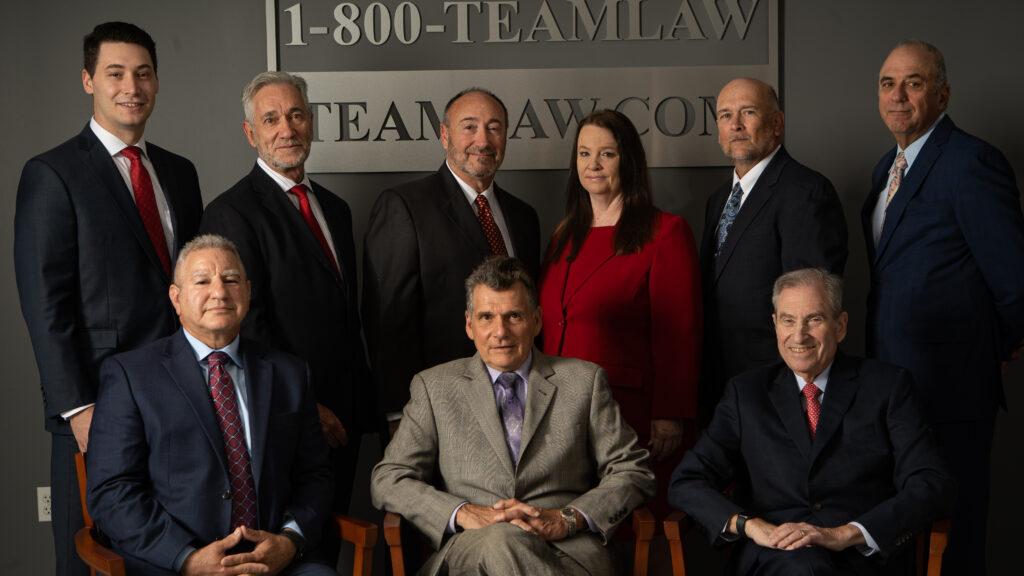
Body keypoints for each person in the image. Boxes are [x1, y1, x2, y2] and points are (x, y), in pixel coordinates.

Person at [13, 21, 203, 576]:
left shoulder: (179, 173)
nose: (131, 87)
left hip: (178, 396)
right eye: (115, 73)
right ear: (88, 80)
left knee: (172, 552)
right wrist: (78, 408)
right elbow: (45, 303)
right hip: (97, 403)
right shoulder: (52, 173)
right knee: (91, 558)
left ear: (157, 83)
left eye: (143, 74)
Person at [371, 256, 654, 576]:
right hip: (472, 551)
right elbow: (389, 477)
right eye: (486, 317)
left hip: (567, 552)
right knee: (503, 539)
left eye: (513, 316)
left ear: (536, 321)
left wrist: (566, 519)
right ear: (469, 324)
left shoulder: (584, 381)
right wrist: (462, 512)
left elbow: (633, 470)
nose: (500, 332)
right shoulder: (434, 387)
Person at [670, 268, 955, 576]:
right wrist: (751, 526)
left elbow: (932, 484)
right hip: (775, 559)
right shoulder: (746, 394)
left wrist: (845, 533)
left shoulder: (888, 387)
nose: (799, 335)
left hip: (861, 560)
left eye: (814, 320)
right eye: (788, 320)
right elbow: (688, 481)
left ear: (840, 325)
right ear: (775, 325)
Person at [863, 40, 1024, 575]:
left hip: (954, 387)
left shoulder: (972, 162)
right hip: (893, 385)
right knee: (903, 533)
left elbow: (1015, 282)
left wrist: (992, 351)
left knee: (954, 534)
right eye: (888, 84)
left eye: (914, 83)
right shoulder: (885, 168)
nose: (898, 95)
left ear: (943, 94)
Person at [86, 235, 336, 575]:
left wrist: (290, 541)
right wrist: (186, 559)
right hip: (174, 563)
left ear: (247, 291)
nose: (219, 292)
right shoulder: (130, 376)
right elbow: (112, 492)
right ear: (176, 298)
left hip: (275, 560)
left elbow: (316, 476)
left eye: (231, 280)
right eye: (202, 281)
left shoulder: (291, 374)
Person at [198, 71, 371, 555]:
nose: (286, 129)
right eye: (271, 119)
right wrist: (306, 404)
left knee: (329, 546)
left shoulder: (335, 209)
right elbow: (242, 326)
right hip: (284, 413)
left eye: (296, 115)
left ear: (311, 122)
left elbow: (345, 314)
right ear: (250, 132)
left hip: (346, 412)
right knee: (286, 550)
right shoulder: (231, 212)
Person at [538, 108, 701, 518]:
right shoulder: (562, 235)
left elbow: (680, 333)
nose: (592, 164)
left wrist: (670, 413)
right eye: (584, 153)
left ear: (627, 160)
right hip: (560, 413)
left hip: (628, 414)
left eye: (606, 154)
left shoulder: (665, 232)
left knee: (631, 533)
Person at [362, 88, 541, 434]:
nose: (483, 140)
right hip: (436, 410)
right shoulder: (405, 206)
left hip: (518, 408)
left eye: (494, 128)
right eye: (469, 127)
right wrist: (398, 412)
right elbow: (386, 321)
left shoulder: (523, 216)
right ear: (445, 135)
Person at [699, 78, 847, 429]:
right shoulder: (718, 201)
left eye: (748, 112)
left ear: (777, 123)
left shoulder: (806, 192)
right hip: (720, 386)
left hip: (775, 389)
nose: (735, 124)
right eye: (725, 115)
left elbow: (809, 311)